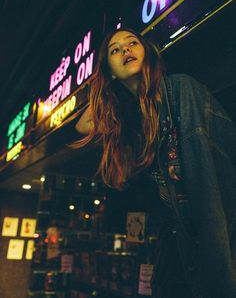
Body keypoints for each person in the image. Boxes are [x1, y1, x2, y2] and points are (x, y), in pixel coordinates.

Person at [73, 28, 236, 298]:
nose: (126, 50)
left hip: (211, 228)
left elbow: (222, 155)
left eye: (132, 43)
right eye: (115, 50)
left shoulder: (180, 88)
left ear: (147, 53)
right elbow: (83, 125)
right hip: (175, 243)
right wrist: (105, 83)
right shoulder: (130, 122)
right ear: (110, 70)